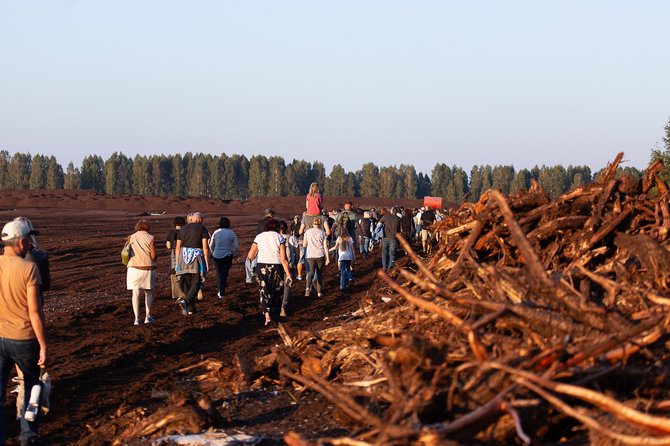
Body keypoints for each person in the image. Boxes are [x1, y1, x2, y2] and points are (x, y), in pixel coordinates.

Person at [0, 220, 48, 446]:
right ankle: (28, 437)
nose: (30, 244)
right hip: (23, 338)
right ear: (20, 242)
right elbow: (35, 312)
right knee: (31, 386)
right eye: (28, 240)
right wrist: (43, 345)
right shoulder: (29, 269)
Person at [246, 219, 292, 325]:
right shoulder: (279, 237)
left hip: (262, 265)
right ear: (276, 227)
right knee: (276, 290)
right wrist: (288, 275)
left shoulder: (259, 237)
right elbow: (283, 258)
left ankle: (267, 316)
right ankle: (276, 312)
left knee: (264, 290)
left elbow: (250, 255)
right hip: (277, 266)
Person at [175, 212, 209, 315]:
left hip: (183, 257)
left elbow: (177, 248)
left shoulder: (183, 229)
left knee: (187, 284)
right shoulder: (202, 229)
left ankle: (191, 309)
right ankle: (185, 301)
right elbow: (205, 248)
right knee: (197, 282)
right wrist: (207, 262)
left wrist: (177, 262)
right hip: (196, 258)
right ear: (200, 220)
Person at [126, 219, 157, 325]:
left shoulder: (130, 237)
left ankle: (137, 319)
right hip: (148, 268)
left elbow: (125, 252)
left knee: (135, 294)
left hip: (134, 268)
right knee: (148, 292)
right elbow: (153, 255)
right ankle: (148, 317)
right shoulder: (151, 238)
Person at [209, 217, 238, 299]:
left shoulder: (216, 232)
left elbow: (211, 245)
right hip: (227, 256)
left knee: (219, 273)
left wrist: (214, 252)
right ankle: (221, 292)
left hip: (216, 256)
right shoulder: (231, 233)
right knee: (224, 274)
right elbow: (236, 246)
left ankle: (219, 290)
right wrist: (232, 253)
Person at [246, 208, 275, 283]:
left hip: (260, 241)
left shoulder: (260, 223)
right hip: (272, 243)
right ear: (271, 215)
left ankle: (251, 274)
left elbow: (258, 234)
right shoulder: (274, 222)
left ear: (265, 214)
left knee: (252, 257)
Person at [303, 217, 329, 297]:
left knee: (310, 272)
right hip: (319, 254)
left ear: (313, 223)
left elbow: (304, 244)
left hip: (310, 255)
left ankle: (307, 288)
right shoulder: (323, 233)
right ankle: (319, 292)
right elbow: (325, 247)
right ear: (320, 224)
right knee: (319, 273)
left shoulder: (307, 232)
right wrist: (327, 258)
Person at [330, 225, 355, 290]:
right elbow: (353, 249)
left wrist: (328, 250)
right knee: (348, 269)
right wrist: (354, 257)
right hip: (348, 257)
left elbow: (335, 247)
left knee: (342, 272)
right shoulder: (350, 238)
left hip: (342, 257)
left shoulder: (339, 238)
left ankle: (343, 286)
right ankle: (350, 278)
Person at [166, 216, 186, 300]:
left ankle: (178, 296)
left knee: (174, 275)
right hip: (185, 256)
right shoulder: (185, 231)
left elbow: (168, 246)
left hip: (174, 257)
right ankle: (185, 294)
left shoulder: (171, 232)